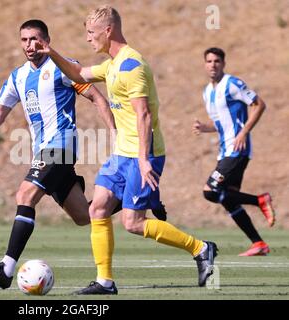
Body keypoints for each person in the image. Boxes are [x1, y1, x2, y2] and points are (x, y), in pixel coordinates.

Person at [36, 5, 217, 294]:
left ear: (108, 31)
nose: (88, 39)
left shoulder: (132, 65)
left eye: (92, 33)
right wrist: (51, 52)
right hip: (123, 153)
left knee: (133, 223)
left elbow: (143, 115)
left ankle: (201, 248)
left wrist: (145, 161)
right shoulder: (111, 65)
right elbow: (79, 73)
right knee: (97, 209)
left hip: (143, 155)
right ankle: (105, 282)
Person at [0, 19, 117, 290]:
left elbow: (97, 97)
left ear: (47, 40)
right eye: (25, 40)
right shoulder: (18, 76)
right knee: (85, 215)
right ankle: (131, 198)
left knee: (25, 195)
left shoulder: (62, 67)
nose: (30, 45)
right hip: (44, 150)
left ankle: (6, 268)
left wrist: (115, 134)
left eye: (35, 39)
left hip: (60, 146)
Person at [192, 47, 276, 257]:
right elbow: (221, 123)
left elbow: (259, 105)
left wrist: (243, 133)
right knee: (227, 198)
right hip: (225, 151)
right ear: (204, 65)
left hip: (238, 149)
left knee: (210, 191)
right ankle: (258, 243)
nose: (213, 64)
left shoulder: (233, 84)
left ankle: (260, 200)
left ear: (223, 63)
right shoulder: (207, 92)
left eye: (217, 61)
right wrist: (205, 127)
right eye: (209, 61)